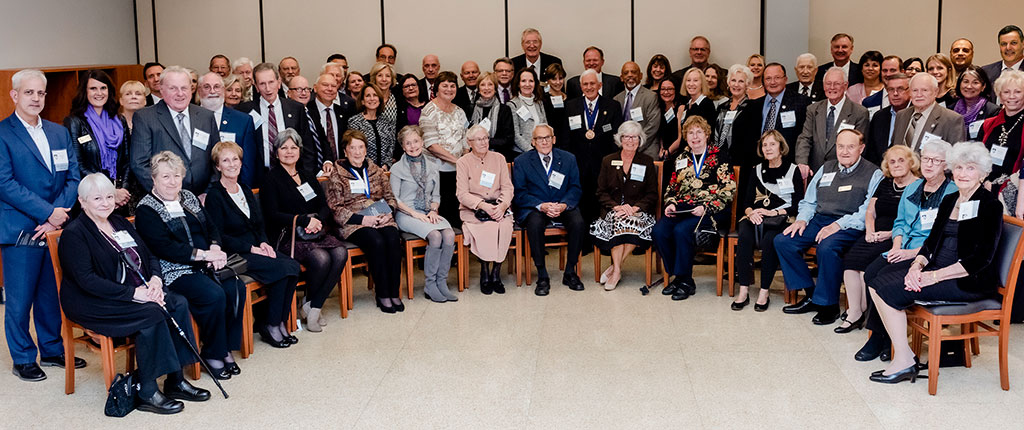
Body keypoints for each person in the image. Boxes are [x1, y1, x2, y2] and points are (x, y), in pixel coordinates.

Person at [59, 173, 210, 413]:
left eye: (109, 196)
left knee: (177, 303)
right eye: (97, 198)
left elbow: (148, 254)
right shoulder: (74, 233)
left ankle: (176, 380)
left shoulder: (119, 222)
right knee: (151, 313)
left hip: (136, 288)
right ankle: (147, 392)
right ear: (83, 201)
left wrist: (156, 281)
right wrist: (134, 294)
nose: (105, 203)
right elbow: (87, 281)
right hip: (92, 301)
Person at [865, 141, 1002, 384]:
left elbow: (980, 260)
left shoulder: (989, 205)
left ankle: (904, 361)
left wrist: (933, 276)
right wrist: (916, 266)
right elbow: (931, 243)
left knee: (887, 290)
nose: (962, 174)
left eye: (970, 169)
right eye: (959, 168)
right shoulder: (951, 200)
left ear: (982, 173)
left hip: (967, 279)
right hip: (936, 267)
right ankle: (906, 356)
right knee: (876, 281)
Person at [0, 69, 83, 382]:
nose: (36, 98)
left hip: (55, 226)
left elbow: (73, 175)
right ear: (15, 95)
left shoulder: (58, 132)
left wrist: (58, 215)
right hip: (22, 227)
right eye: (29, 93)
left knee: (51, 293)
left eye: (41, 93)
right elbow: (4, 183)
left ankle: (51, 349)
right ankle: (23, 357)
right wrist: (48, 213)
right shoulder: (3, 133)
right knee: (20, 299)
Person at [135, 151, 243, 380]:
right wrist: (203, 255)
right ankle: (213, 353)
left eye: (177, 175)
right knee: (213, 295)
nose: (172, 181)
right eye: (166, 176)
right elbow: (164, 247)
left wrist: (215, 248)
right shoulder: (147, 208)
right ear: (154, 178)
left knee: (236, 287)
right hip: (174, 269)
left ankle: (225, 348)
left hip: (206, 261)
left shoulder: (188, 196)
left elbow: (211, 226)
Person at [854, 140, 956, 361]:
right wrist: (897, 246)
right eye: (926, 158)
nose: (929, 164)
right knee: (871, 271)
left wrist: (911, 254)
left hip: (927, 254)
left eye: (935, 160)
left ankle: (885, 338)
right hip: (904, 247)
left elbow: (944, 237)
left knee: (883, 277)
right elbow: (900, 222)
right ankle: (880, 335)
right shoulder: (913, 187)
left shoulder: (952, 193)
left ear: (946, 164)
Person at [776, 129, 882, 325]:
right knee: (783, 241)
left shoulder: (874, 173)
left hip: (849, 224)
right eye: (841, 146)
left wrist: (838, 225)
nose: (844, 151)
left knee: (827, 247)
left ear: (861, 148)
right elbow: (809, 201)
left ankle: (829, 305)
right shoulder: (826, 168)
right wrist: (802, 220)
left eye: (851, 147)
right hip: (819, 219)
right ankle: (812, 295)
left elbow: (867, 211)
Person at [204, 142, 301, 348]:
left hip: (257, 247)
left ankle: (278, 321)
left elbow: (259, 223)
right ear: (218, 166)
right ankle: (271, 325)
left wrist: (265, 243)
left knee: (292, 266)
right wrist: (252, 249)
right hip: (236, 253)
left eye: (235, 159)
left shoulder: (245, 189)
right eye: (226, 160)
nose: (232, 164)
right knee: (282, 269)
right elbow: (219, 235)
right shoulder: (214, 195)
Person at [258, 129, 347, 333]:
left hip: (314, 231)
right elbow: (272, 214)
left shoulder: (307, 174)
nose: (289, 152)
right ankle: (312, 306)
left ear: (299, 151)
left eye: (293, 147)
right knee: (321, 259)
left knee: (341, 253)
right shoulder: (271, 179)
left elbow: (324, 205)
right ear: (276, 152)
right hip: (287, 236)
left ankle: (312, 305)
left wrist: (316, 220)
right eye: (284, 147)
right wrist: (304, 219)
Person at [835, 145, 919, 333]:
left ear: (911, 162)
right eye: (892, 161)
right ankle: (855, 312)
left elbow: (912, 221)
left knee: (867, 264)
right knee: (850, 260)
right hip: (874, 233)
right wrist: (870, 232)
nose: (896, 164)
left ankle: (868, 311)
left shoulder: (918, 186)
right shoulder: (885, 182)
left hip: (897, 236)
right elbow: (870, 211)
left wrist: (888, 234)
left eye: (901, 160)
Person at [656, 116, 736, 300]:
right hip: (683, 208)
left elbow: (729, 188)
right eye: (690, 132)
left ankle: (684, 281)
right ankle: (680, 277)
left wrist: (706, 207)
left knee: (682, 230)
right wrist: (671, 203)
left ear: (706, 134)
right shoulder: (681, 157)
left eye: (699, 132)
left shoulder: (719, 156)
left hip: (711, 210)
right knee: (659, 231)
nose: (695, 136)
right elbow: (672, 187)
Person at [325, 130, 404, 313]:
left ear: (366, 149)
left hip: (380, 215)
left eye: (361, 147)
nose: (357, 152)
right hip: (352, 222)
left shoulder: (376, 171)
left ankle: (394, 292)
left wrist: (388, 213)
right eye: (353, 148)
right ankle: (383, 294)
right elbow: (335, 209)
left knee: (392, 238)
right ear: (345, 151)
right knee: (376, 241)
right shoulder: (337, 175)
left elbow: (390, 197)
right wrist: (364, 219)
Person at [731, 130, 804, 311]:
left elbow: (797, 204)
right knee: (745, 237)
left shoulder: (793, 170)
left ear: (781, 147)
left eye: (772, 144)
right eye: (764, 145)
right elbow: (746, 202)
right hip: (755, 216)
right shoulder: (756, 170)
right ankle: (744, 290)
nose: (768, 148)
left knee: (769, 241)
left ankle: (764, 291)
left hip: (781, 217)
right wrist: (751, 213)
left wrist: (774, 213)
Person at [513, 124, 585, 296]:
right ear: (533, 142)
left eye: (547, 137)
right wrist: (542, 205)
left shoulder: (568, 159)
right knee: (535, 224)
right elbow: (520, 193)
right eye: (539, 138)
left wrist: (563, 205)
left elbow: (575, 188)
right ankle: (542, 275)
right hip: (536, 206)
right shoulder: (522, 162)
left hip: (562, 204)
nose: (544, 141)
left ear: (554, 139)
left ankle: (570, 271)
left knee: (578, 222)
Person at [390, 126, 457, 302]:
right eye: (408, 143)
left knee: (449, 235)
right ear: (403, 147)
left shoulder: (433, 166)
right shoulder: (397, 168)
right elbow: (395, 199)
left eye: (416, 141)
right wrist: (415, 214)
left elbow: (436, 195)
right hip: (406, 213)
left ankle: (441, 282)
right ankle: (430, 285)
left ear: (422, 142)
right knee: (435, 236)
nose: (413, 146)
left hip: (428, 210)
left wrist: (434, 209)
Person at [130, 66, 220, 195]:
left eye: (184, 88)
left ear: (191, 89)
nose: (180, 93)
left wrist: (209, 192)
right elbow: (139, 164)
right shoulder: (145, 118)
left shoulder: (206, 116)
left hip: (203, 198)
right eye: (173, 88)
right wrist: (167, 194)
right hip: (165, 199)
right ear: (161, 89)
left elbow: (215, 159)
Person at [591, 121, 658, 290]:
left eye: (634, 137)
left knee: (633, 224)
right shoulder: (608, 160)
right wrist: (617, 207)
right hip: (613, 210)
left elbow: (652, 194)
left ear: (640, 139)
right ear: (620, 139)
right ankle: (618, 270)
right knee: (618, 222)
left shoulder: (646, 161)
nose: (630, 140)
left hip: (638, 211)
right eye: (626, 137)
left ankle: (615, 269)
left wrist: (635, 208)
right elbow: (600, 192)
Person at [63, 69, 134, 215]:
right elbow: (78, 164)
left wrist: (123, 191)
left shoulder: (119, 120)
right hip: (92, 198)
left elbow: (127, 160)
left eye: (103, 88)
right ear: (85, 91)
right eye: (93, 88)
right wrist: (109, 191)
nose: (99, 93)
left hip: (120, 199)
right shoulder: (75, 122)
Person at [456, 125, 514, 295]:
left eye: (486, 138)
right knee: (487, 228)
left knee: (503, 227)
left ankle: (496, 272)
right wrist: (483, 205)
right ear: (469, 142)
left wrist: (502, 206)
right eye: (479, 139)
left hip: (499, 207)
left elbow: (508, 187)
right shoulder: (462, 162)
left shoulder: (499, 158)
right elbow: (462, 193)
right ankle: (484, 270)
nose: (484, 142)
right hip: (474, 209)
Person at [235, 62, 315, 183]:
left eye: (271, 82)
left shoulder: (295, 108)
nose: (267, 88)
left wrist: (306, 175)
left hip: (292, 175)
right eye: (262, 84)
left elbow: (307, 145)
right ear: (256, 86)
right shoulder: (244, 111)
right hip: (259, 177)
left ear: (279, 82)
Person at [565, 69, 624, 226]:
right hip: (579, 163)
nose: (589, 87)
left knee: (603, 201)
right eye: (585, 84)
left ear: (600, 85)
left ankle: (602, 239)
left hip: (603, 163)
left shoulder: (612, 106)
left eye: (592, 83)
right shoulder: (570, 106)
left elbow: (617, 136)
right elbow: (566, 138)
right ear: (580, 86)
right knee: (582, 201)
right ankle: (584, 241)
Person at [795, 67, 871, 179]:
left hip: (844, 173)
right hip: (815, 173)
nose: (831, 87)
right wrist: (802, 163)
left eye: (836, 84)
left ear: (845, 85)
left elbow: (858, 147)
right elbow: (805, 138)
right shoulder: (813, 109)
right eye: (828, 83)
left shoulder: (859, 112)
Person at [731, 63, 811, 168]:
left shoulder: (801, 103)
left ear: (785, 79)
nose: (772, 82)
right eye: (768, 78)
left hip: (788, 166)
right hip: (757, 166)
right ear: (763, 81)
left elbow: (805, 138)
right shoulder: (753, 106)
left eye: (777, 78)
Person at [420, 71, 469, 227]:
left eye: (452, 86)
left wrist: (465, 159)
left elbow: (466, 138)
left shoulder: (459, 111)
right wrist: (458, 161)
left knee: (458, 208)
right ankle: (449, 245)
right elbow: (431, 145)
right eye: (445, 86)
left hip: (458, 170)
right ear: (436, 88)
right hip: (436, 170)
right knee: (444, 209)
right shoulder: (429, 111)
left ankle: (460, 245)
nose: (449, 89)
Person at [196, 72, 259, 187]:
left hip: (232, 190)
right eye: (207, 87)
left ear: (223, 90)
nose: (212, 91)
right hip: (198, 192)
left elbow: (247, 163)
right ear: (199, 90)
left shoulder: (243, 121)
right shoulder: (189, 118)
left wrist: (243, 192)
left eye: (216, 87)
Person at [890, 73, 965, 152]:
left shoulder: (952, 119)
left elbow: (957, 157)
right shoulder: (901, 115)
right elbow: (893, 149)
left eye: (924, 90)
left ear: (935, 92)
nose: (919, 95)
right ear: (910, 92)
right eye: (915, 90)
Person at [984, 70, 1024, 214]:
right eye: (1006, 92)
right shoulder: (989, 124)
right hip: (984, 190)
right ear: (1000, 95)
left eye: (1018, 92)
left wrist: (997, 188)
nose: (1012, 97)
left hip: (1013, 197)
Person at [614, 61, 661, 158]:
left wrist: (635, 145)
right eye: (626, 73)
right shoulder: (616, 99)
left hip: (646, 150)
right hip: (623, 152)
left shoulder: (651, 97)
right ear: (621, 78)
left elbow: (653, 126)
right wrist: (625, 147)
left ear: (640, 75)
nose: (630, 75)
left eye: (634, 72)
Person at [348, 85, 400, 169]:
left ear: (379, 100)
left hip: (385, 170)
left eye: (375, 95)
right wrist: (370, 167)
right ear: (362, 101)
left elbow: (391, 146)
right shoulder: (354, 122)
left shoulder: (387, 121)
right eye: (368, 96)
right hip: (364, 170)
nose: (372, 98)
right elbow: (354, 148)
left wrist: (386, 164)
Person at [865, 73, 911, 165]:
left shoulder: (916, 115)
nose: (895, 93)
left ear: (910, 91)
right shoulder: (879, 117)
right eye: (891, 90)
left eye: (900, 89)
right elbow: (871, 151)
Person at [307, 73, 349, 175]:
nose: (330, 89)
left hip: (342, 171)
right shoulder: (307, 111)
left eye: (333, 86)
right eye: (325, 85)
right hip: (315, 172)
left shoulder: (343, 112)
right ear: (315, 88)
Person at [468, 72, 515, 160]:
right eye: (482, 85)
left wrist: (482, 141)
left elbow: (508, 140)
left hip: (498, 157)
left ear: (495, 88)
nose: (486, 88)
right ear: (478, 89)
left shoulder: (504, 110)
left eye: (490, 84)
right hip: (474, 157)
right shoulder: (471, 109)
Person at [673, 68, 718, 155]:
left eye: (695, 80)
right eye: (688, 80)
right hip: (685, 153)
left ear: (702, 83)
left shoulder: (707, 104)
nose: (691, 84)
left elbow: (708, 135)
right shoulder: (687, 105)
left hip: (699, 154)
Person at [951, 65, 1001, 139]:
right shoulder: (950, 108)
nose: (969, 86)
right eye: (966, 82)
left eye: (975, 82)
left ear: (983, 87)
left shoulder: (993, 111)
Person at [508, 68, 548, 155]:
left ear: (535, 83)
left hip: (541, 150)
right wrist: (531, 150)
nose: (527, 84)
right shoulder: (512, 105)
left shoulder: (539, 102)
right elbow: (516, 135)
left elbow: (545, 126)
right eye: (523, 81)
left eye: (531, 81)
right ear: (518, 84)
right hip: (522, 153)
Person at [713, 65, 751, 151]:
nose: (736, 85)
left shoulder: (751, 108)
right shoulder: (722, 107)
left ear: (747, 85)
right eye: (733, 80)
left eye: (741, 81)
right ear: (728, 82)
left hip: (740, 159)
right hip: (719, 156)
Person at [544, 63, 571, 146]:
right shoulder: (544, 100)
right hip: (552, 143)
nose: (558, 82)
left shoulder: (570, 98)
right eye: (554, 79)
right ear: (548, 80)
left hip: (570, 142)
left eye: (561, 78)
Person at [657, 77, 683, 159]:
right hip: (663, 153)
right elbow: (661, 134)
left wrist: (668, 151)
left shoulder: (681, 108)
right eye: (663, 89)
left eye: (670, 89)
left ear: (676, 90)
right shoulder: (659, 109)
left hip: (677, 153)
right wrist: (662, 149)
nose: (666, 92)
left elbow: (680, 137)